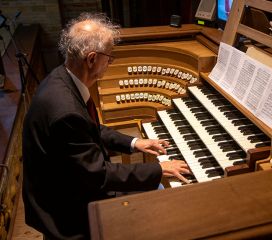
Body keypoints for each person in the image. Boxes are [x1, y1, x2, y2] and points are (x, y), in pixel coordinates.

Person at [22, 12, 190, 240]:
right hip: (66, 211)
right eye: (109, 57)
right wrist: (159, 169)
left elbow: (90, 128)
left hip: (67, 184)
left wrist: (134, 142)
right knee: (162, 202)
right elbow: (98, 175)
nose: (110, 62)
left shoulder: (63, 78)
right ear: (91, 59)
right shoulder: (66, 110)